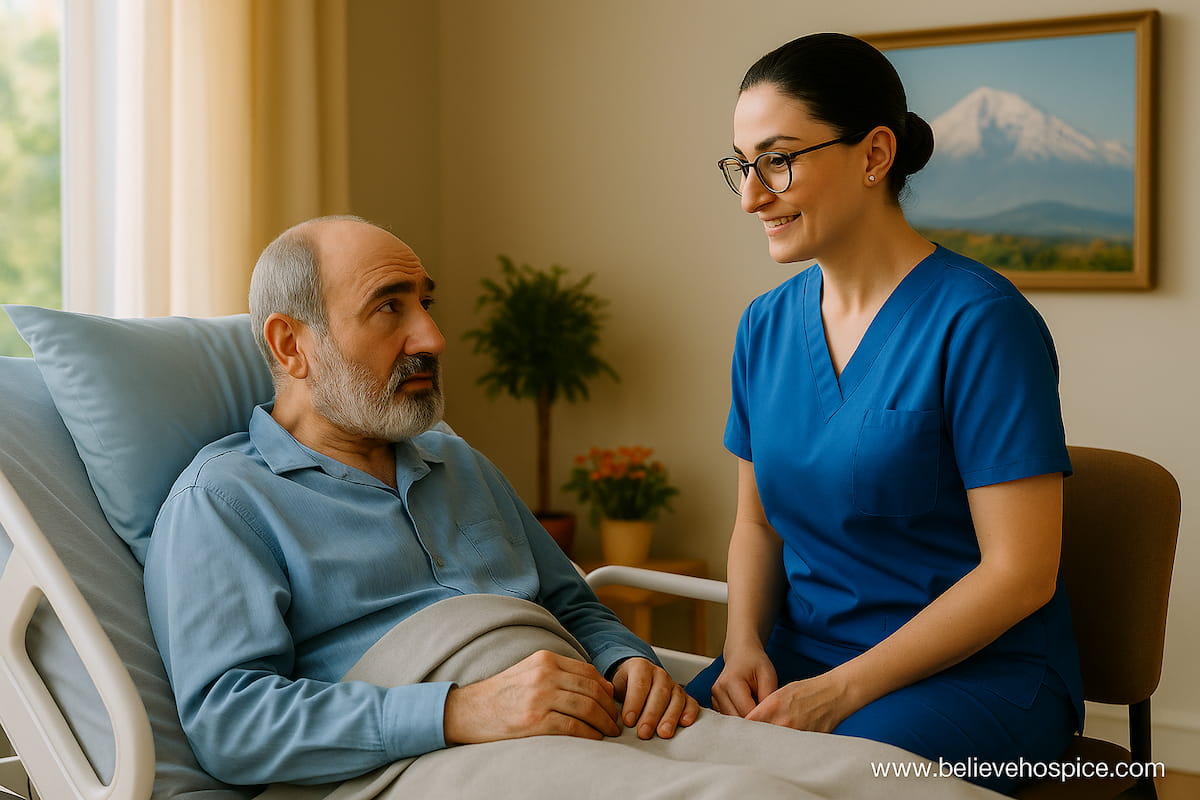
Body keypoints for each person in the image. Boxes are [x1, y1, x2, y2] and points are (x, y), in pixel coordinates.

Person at [143, 215, 698, 788]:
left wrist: (625, 661)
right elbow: (232, 725)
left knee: (791, 768)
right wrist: (460, 710)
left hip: (594, 715)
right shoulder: (223, 502)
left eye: (425, 304)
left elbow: (573, 606)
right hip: (425, 767)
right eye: (389, 307)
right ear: (292, 347)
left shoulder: (459, 463)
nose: (433, 338)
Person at [683, 33, 1083, 794]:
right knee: (635, 754)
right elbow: (756, 525)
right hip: (804, 659)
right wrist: (740, 650)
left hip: (979, 678)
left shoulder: (981, 323)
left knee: (794, 783)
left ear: (873, 156)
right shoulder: (763, 328)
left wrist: (842, 691)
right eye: (743, 164)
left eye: (779, 159)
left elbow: (1020, 574)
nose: (751, 196)